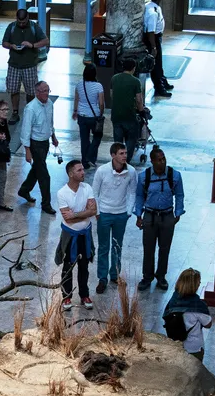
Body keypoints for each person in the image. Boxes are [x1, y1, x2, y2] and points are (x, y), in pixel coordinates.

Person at [134, 148, 184, 291]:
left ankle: (161, 276)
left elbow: (179, 195)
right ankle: (147, 277)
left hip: (167, 215)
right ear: (152, 161)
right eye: (159, 159)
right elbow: (139, 196)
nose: (162, 162)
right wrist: (138, 215)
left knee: (165, 248)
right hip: (150, 216)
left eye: (164, 158)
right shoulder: (144, 177)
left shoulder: (174, 175)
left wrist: (178, 214)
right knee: (148, 248)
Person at [92, 142, 138, 294]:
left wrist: (128, 212)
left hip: (121, 215)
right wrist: (98, 212)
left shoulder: (131, 171)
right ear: (113, 155)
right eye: (121, 153)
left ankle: (115, 275)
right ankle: (102, 278)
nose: (125, 156)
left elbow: (132, 192)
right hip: (104, 213)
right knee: (104, 247)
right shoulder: (102, 171)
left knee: (117, 246)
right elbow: (94, 193)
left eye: (125, 153)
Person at [55, 160, 97, 311]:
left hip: (85, 234)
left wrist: (76, 214)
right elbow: (67, 218)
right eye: (79, 170)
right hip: (70, 235)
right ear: (71, 174)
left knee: (84, 266)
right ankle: (66, 297)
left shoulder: (87, 188)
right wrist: (84, 215)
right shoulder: (62, 193)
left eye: (82, 169)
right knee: (68, 266)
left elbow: (93, 211)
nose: (83, 172)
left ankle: (84, 295)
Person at [18, 81, 59, 215]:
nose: (47, 93)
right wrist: (27, 151)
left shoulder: (50, 105)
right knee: (44, 176)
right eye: (44, 91)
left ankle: (24, 190)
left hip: (45, 142)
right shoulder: (31, 108)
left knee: (37, 169)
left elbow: (50, 122)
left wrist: (53, 136)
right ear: (37, 92)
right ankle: (46, 204)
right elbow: (25, 131)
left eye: (48, 90)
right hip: (35, 144)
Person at [1, 8, 49, 124]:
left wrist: (32, 45)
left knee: (31, 91)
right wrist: (11, 46)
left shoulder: (34, 27)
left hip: (29, 65)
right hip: (14, 64)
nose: (21, 24)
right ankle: (15, 112)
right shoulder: (11, 27)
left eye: (24, 22)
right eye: (19, 22)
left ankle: (30, 112)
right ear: (16, 19)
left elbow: (45, 41)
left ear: (28, 18)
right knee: (13, 89)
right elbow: (4, 43)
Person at [162, 269, 212, 361]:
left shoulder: (173, 300)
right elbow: (208, 324)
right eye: (199, 282)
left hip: (176, 345)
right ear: (194, 286)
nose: (200, 283)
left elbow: (165, 316)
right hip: (194, 348)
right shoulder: (198, 305)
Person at [109, 58, 144, 164]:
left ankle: (117, 161)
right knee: (131, 139)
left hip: (116, 115)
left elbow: (111, 95)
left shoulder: (114, 78)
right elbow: (139, 99)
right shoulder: (135, 81)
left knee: (118, 141)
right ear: (133, 68)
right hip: (129, 115)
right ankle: (126, 161)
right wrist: (141, 110)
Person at [143, 0, 173, 97]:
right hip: (153, 39)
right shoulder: (152, 12)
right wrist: (154, 47)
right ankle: (159, 88)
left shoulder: (154, 7)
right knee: (155, 65)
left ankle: (163, 81)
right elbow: (151, 31)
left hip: (156, 37)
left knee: (159, 63)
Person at [74, 64, 105, 169]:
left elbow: (76, 99)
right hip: (94, 116)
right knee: (97, 136)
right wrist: (100, 114)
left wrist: (75, 111)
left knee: (84, 139)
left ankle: (84, 161)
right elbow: (101, 103)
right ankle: (90, 156)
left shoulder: (79, 85)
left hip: (81, 116)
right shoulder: (98, 86)